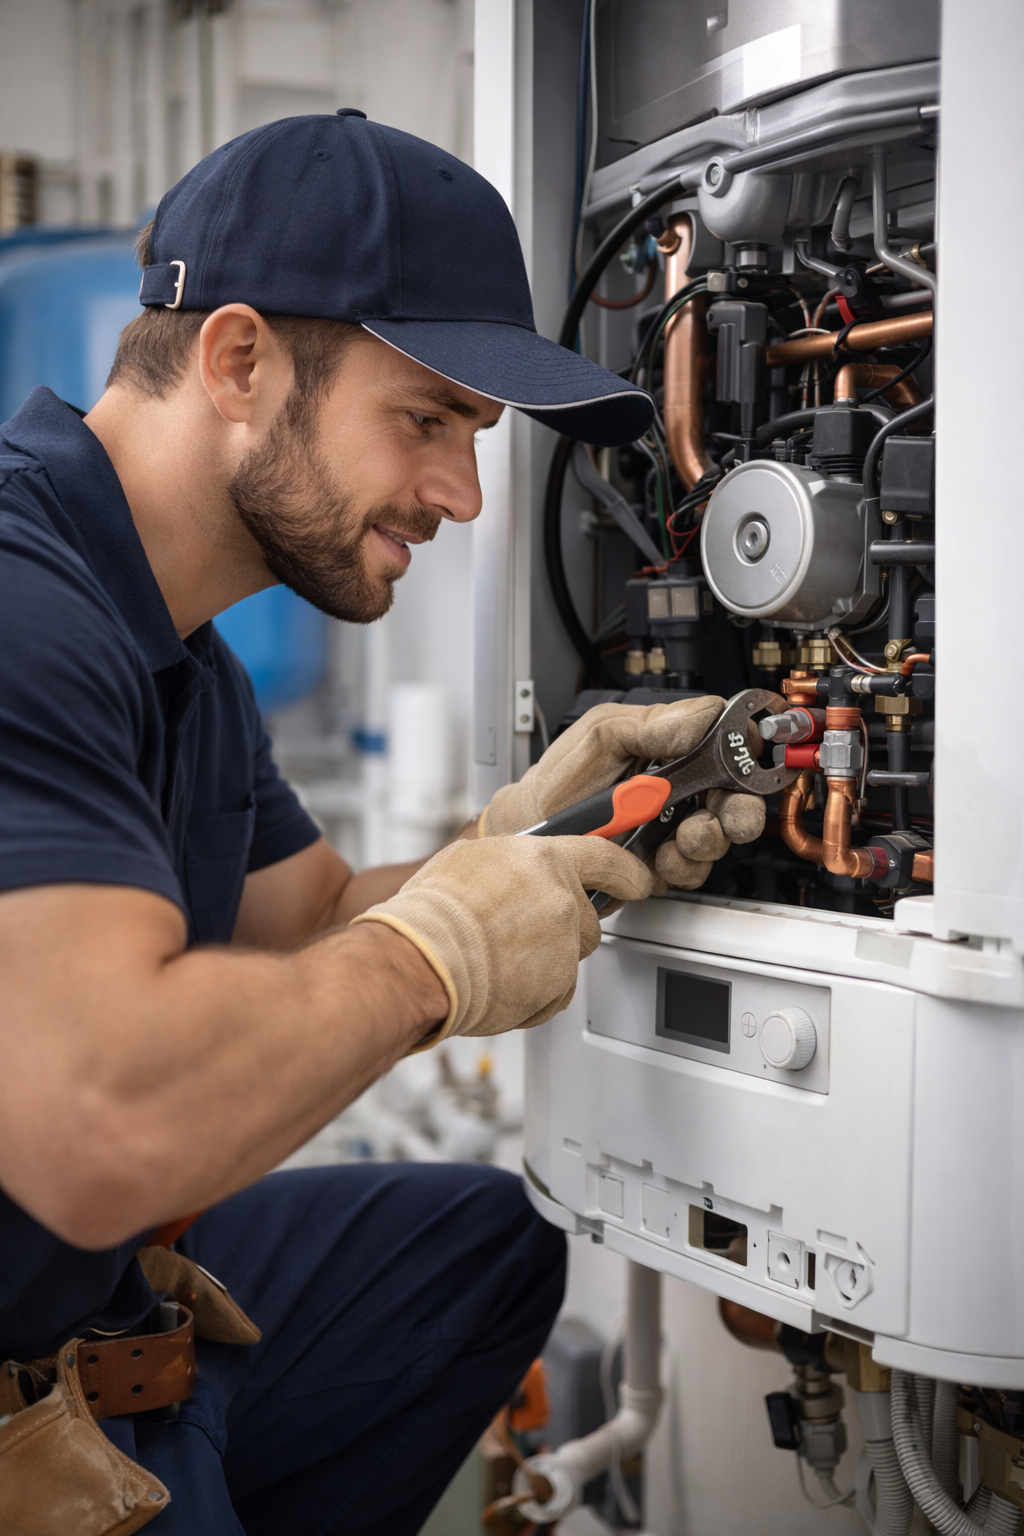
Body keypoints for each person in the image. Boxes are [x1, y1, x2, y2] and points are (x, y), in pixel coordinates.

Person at [0, 112, 764, 1534]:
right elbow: (99, 1128)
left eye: (473, 436)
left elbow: (305, 918)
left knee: (476, 1251)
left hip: (94, 1312)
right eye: (426, 421)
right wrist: (433, 957)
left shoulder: (183, 658)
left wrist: (532, 850)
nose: (464, 497)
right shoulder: (20, 610)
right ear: (237, 361)